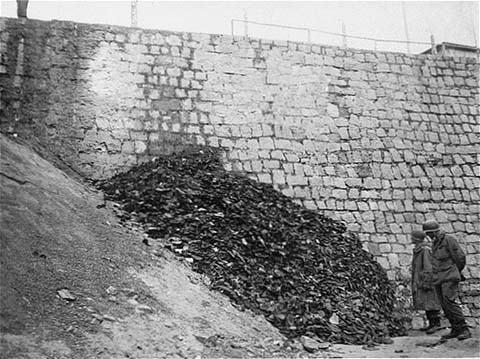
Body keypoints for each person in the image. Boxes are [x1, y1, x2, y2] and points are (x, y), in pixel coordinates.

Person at [423, 220, 471, 340]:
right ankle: (455, 329)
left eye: (429, 233)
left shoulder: (449, 240)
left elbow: (460, 257)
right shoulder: (436, 243)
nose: (428, 236)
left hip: (450, 276)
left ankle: (464, 329)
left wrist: (455, 271)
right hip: (439, 278)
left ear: (434, 231)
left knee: (450, 302)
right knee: (444, 304)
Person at [410, 229, 442, 334]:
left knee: (431, 301)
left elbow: (428, 266)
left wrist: (427, 281)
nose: (411, 238)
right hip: (420, 279)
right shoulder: (419, 249)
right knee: (426, 302)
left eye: (412, 237)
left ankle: (436, 324)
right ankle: (431, 323)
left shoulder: (425, 250)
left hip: (426, 280)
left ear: (417, 238)